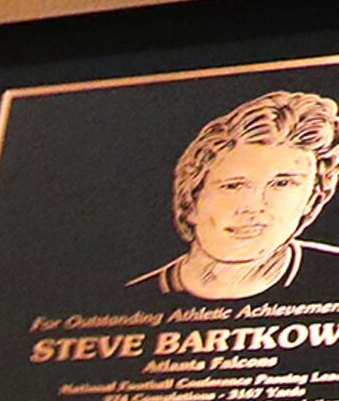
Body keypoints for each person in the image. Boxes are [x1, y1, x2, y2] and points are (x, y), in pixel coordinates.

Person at [136, 88, 339, 301]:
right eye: (233, 186)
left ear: (313, 199)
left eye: (282, 184)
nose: (253, 206)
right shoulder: (129, 304)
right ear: (191, 201)